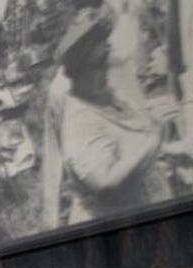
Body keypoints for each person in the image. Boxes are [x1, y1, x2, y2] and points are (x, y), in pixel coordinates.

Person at [43, 6, 173, 225]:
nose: (107, 71)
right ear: (78, 73)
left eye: (107, 61)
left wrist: (169, 150)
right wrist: (154, 141)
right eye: (100, 64)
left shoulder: (107, 96)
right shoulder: (79, 119)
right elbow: (106, 185)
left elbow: (129, 141)